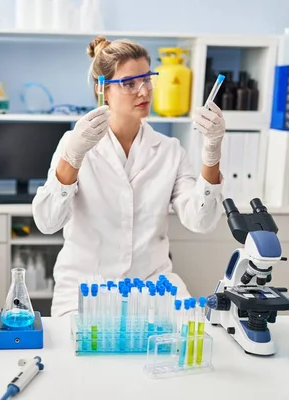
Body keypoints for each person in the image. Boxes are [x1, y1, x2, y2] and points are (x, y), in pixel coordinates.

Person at [31, 36, 227, 317]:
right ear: (102, 89)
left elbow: (201, 221)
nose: (144, 91)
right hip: (86, 287)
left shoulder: (169, 150)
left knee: (188, 345)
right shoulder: (73, 143)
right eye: (129, 83)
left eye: (147, 79)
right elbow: (47, 222)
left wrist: (212, 151)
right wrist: (72, 157)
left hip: (152, 287)